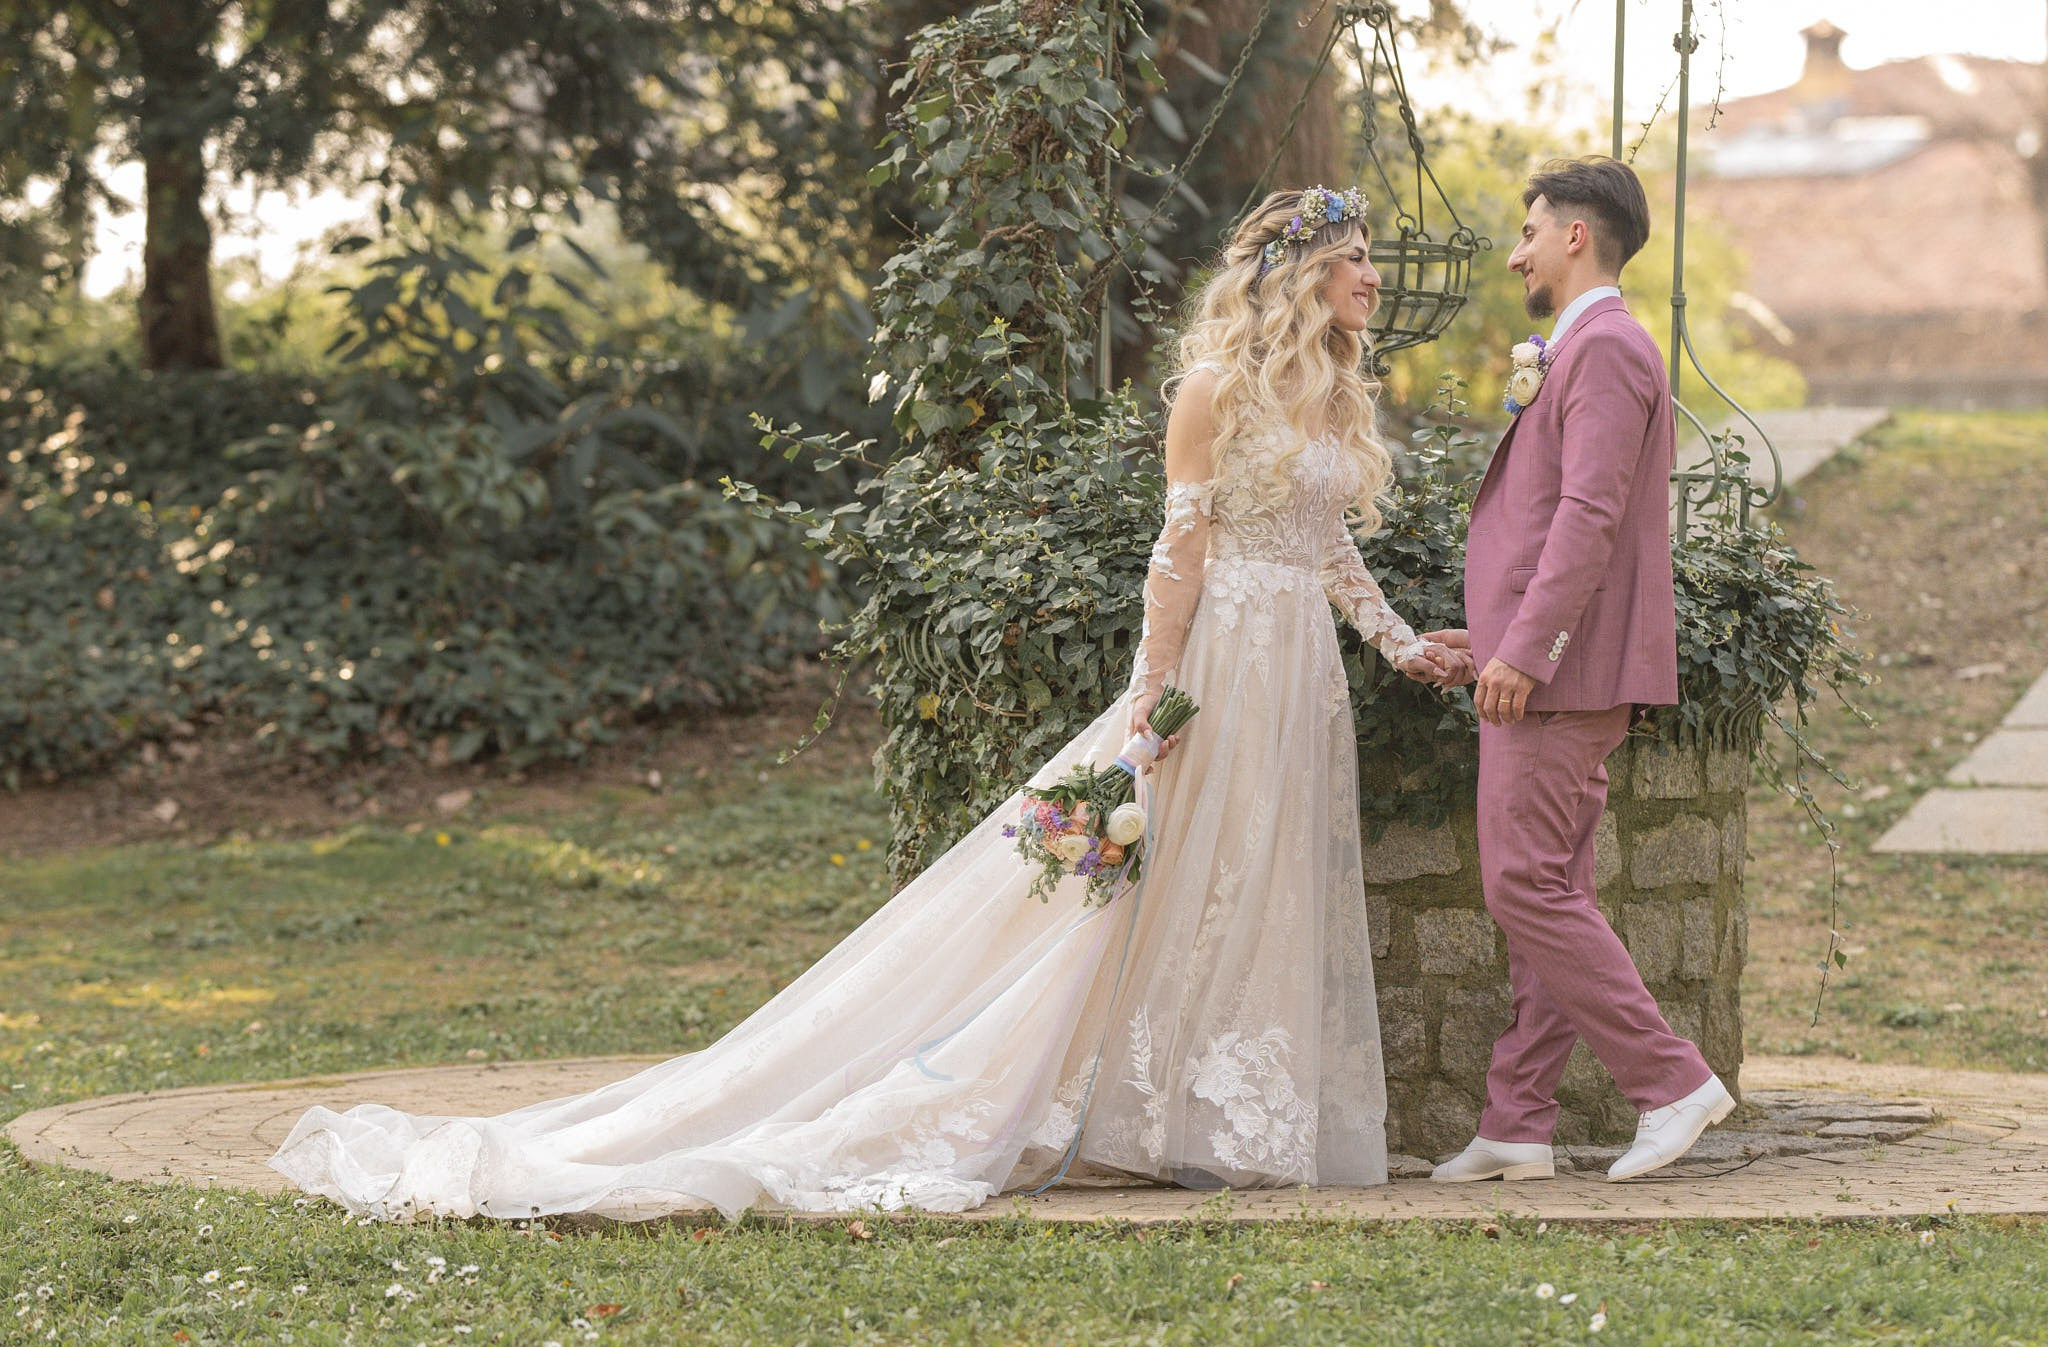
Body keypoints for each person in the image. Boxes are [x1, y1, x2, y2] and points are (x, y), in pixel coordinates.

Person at [268, 187, 1454, 1221]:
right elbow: (1175, 554)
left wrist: (1400, 647)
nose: (1368, 283)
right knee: (1146, 880)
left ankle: (1212, 1121)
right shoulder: (1212, 389)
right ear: (1300, 273)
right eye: (1356, 264)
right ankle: (1074, 1102)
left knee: (1262, 875)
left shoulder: (1333, 398)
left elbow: (1323, 549)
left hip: (1299, 665)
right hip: (1219, 664)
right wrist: (1148, 695)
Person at [1423, 156, 1733, 1186]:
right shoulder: (1572, 346)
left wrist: (1525, 649)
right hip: (1546, 659)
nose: (1512, 253)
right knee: (1550, 889)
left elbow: (1588, 516)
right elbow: (1543, 517)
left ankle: (1671, 1083)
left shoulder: (1601, 348)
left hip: (1561, 673)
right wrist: (1488, 635)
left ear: (1572, 236)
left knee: (1522, 887)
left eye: (1525, 232)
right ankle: (1517, 1121)